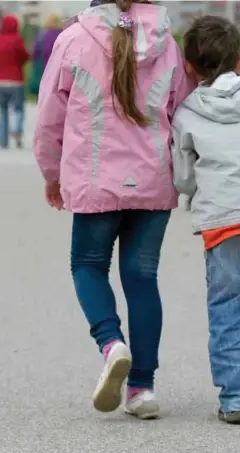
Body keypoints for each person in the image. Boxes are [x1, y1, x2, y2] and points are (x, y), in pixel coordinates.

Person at [33, 0, 193, 419]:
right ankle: (141, 389)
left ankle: (111, 343)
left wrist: (53, 172)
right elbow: (182, 109)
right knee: (142, 278)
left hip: (94, 180)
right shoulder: (168, 44)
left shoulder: (73, 39)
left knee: (87, 265)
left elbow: (50, 115)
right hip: (153, 180)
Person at [172, 15, 240, 425]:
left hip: (221, 222)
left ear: (189, 67)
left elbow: (182, 178)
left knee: (227, 307)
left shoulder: (186, 113)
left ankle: (235, 397)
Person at [0, 15, 29, 149]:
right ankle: (16, 128)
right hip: (16, 80)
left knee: (3, 110)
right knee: (18, 108)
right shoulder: (17, 41)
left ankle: (3, 141)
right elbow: (25, 56)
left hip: (0, 81)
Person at [29, 14, 62, 96]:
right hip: (57, 72)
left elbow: (34, 54)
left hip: (42, 70)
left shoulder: (41, 35)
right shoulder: (62, 35)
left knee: (41, 97)